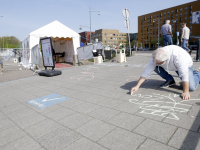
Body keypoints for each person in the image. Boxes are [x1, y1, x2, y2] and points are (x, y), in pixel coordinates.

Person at [131, 45, 200, 100]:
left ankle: (196, 74)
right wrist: (137, 86)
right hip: (174, 65)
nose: (156, 63)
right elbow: (146, 72)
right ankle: (170, 80)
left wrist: (185, 92)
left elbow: (184, 74)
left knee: (191, 88)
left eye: (159, 62)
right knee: (154, 66)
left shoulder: (178, 57)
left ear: (166, 59)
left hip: (186, 65)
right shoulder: (156, 57)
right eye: (155, 61)